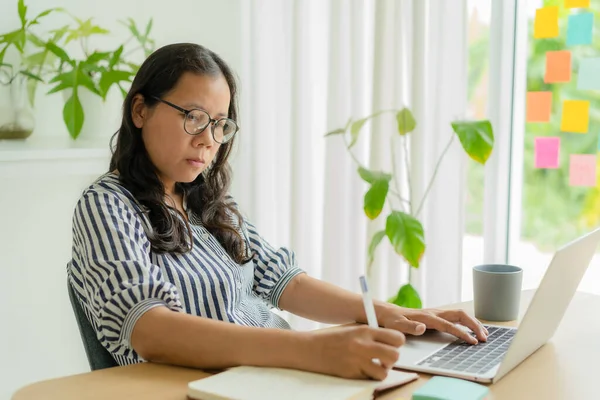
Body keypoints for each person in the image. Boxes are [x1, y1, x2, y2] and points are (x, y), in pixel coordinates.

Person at [67, 42, 488, 381]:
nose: (208, 140)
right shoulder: (106, 204)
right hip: (209, 387)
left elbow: (286, 283)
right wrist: (312, 350)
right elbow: (150, 332)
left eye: (220, 124)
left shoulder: (204, 202)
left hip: (270, 377)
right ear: (140, 110)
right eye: (193, 118)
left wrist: (398, 316)